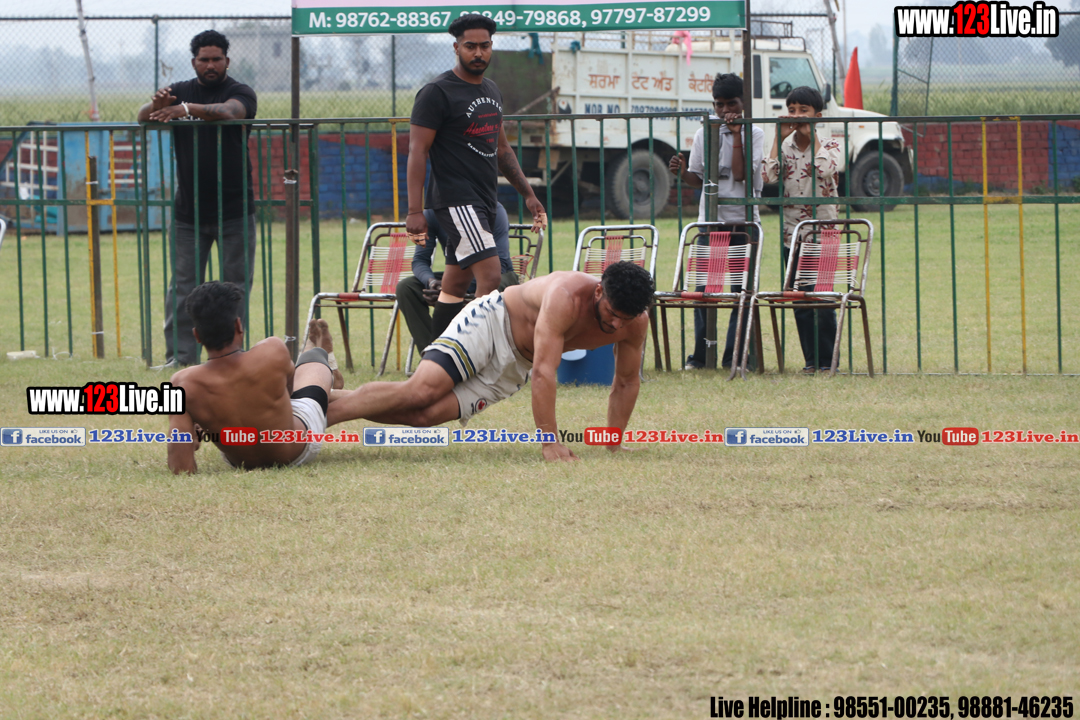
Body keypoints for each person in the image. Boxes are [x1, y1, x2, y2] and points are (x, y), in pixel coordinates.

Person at [327, 262, 655, 462]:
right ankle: (317, 418)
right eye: (612, 313)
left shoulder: (634, 324)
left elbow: (626, 381)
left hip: (516, 365)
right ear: (598, 292)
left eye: (625, 319)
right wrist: (550, 443)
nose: (616, 325)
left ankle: (326, 397)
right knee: (421, 391)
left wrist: (613, 441)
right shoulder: (565, 296)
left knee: (424, 416)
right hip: (493, 322)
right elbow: (544, 372)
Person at [406, 13, 546, 343]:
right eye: (470, 46)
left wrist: (528, 194)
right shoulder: (436, 92)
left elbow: (502, 149)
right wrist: (414, 211)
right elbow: (417, 151)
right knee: (491, 275)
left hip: (484, 200)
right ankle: (477, 354)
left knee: (455, 284)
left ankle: (436, 356)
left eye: (485, 46)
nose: (479, 53)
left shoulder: (491, 90)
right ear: (456, 48)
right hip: (456, 200)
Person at [138, 30, 258, 367]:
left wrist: (185, 109)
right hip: (188, 213)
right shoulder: (180, 90)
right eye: (204, 59)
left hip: (235, 210)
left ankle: (231, 358)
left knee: (235, 288)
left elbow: (231, 112)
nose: (210, 65)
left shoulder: (240, 91)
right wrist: (157, 106)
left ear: (227, 61)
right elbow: (142, 116)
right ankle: (180, 358)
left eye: (216, 59)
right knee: (182, 288)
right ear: (194, 62)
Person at [166, 282, 336, 473]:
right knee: (312, 360)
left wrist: (195, 425)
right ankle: (323, 358)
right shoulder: (272, 350)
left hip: (239, 461)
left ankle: (328, 377)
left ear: (197, 336)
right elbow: (290, 396)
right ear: (238, 325)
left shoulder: (181, 384)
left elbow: (180, 467)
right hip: (298, 448)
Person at [668, 73, 763, 371]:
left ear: (743, 103)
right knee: (704, 292)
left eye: (731, 103)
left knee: (740, 293)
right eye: (719, 105)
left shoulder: (754, 133)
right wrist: (682, 173)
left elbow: (741, 175)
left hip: (743, 225)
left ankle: (735, 357)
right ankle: (702, 356)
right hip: (711, 224)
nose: (725, 111)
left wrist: (736, 135)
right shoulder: (704, 133)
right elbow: (697, 178)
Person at [762, 85, 843, 373]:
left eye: (803, 111)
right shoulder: (785, 147)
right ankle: (811, 360)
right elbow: (768, 176)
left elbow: (825, 170)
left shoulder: (830, 144)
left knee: (822, 297)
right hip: (793, 234)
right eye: (792, 110)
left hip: (824, 232)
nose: (796, 115)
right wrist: (778, 137)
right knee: (800, 297)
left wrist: (813, 137)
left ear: (817, 116)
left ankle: (828, 361)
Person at [397, 206, 520, 354]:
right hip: (457, 274)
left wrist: (448, 289)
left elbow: (499, 265)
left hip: (499, 275)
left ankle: (478, 354)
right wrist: (433, 283)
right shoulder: (433, 212)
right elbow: (419, 261)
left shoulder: (493, 208)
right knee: (407, 287)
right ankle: (433, 355)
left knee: (490, 287)